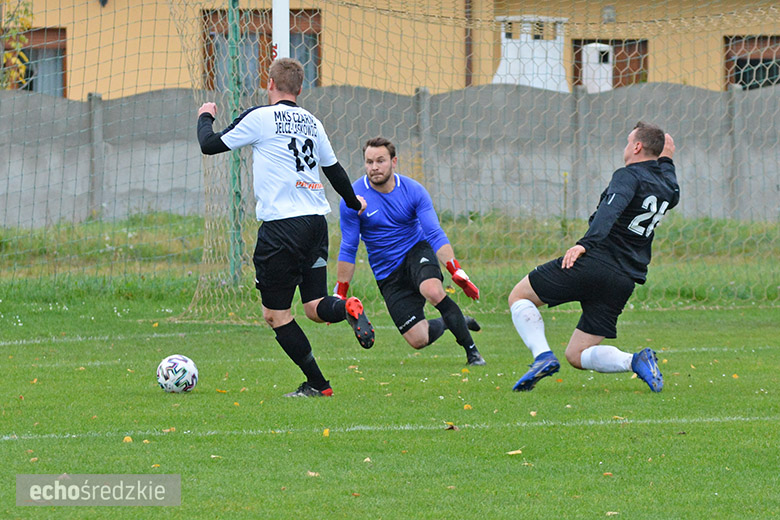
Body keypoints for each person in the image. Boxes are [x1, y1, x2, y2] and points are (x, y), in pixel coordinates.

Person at [196, 57, 375, 398]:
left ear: (270, 85)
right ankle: (347, 307)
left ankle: (319, 385)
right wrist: (354, 202)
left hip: (281, 227)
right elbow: (334, 171)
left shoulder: (261, 117)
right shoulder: (313, 122)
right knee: (315, 307)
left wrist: (205, 115)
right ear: (300, 89)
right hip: (315, 223)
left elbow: (210, 144)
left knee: (276, 314)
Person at [508, 121, 679, 392]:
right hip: (624, 279)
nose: (625, 147)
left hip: (595, 263)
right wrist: (667, 158)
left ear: (636, 146)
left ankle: (541, 357)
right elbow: (673, 186)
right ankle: (637, 361)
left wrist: (584, 244)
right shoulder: (667, 188)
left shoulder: (628, 175)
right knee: (578, 354)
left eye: (627, 141)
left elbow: (610, 211)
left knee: (519, 296)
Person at [336, 137, 486, 366]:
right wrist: (341, 291)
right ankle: (452, 320)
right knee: (418, 339)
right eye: (369, 162)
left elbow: (435, 234)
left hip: (415, 251)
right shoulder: (354, 197)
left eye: (380, 161)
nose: (374, 167)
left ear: (394, 162)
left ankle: (472, 353)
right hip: (387, 272)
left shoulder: (414, 190)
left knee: (433, 290)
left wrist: (455, 270)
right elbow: (348, 246)